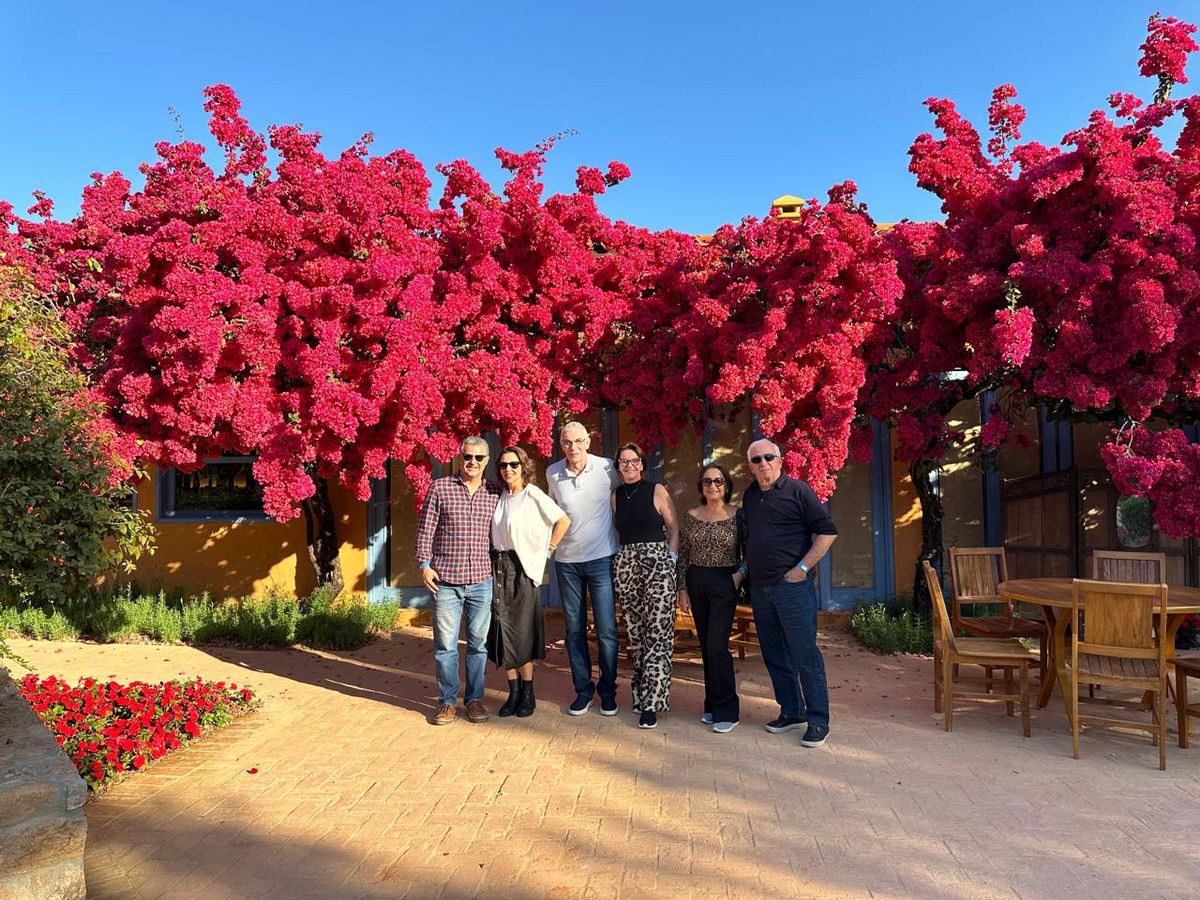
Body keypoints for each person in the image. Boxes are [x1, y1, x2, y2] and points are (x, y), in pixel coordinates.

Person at [739, 439, 838, 748]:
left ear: (779, 460)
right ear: (750, 466)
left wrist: (802, 569)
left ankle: (818, 719)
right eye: (756, 459)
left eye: (769, 457)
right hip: (760, 587)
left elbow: (827, 531)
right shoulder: (751, 495)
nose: (763, 463)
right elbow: (752, 539)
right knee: (773, 653)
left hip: (792, 588)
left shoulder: (798, 491)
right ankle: (792, 711)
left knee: (804, 653)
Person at [415, 436, 502, 726]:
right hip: (446, 581)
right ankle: (447, 701)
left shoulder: (495, 492)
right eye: (468, 457)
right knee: (446, 646)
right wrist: (425, 565)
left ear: (487, 460)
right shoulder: (440, 488)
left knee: (478, 645)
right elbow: (425, 529)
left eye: (479, 458)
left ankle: (474, 699)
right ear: (459, 457)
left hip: (481, 580)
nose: (473, 463)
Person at [489, 445, 571, 718]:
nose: (508, 469)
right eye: (503, 465)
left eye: (513, 464)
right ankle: (512, 693)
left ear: (523, 467)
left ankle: (528, 693)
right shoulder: (499, 496)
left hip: (522, 571)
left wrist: (548, 550)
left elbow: (563, 520)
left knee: (521, 634)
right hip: (498, 569)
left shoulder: (532, 493)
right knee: (504, 633)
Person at [546, 421, 621, 716]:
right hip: (567, 563)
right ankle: (583, 690)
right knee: (574, 631)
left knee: (606, 631)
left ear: (588, 441)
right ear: (560, 444)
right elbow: (551, 513)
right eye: (566, 442)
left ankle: (608, 691)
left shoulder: (607, 468)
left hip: (602, 558)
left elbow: (623, 500)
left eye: (578, 441)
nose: (572, 448)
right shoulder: (553, 473)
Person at [611, 442, 679, 729]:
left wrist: (670, 561)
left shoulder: (657, 490)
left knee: (658, 633)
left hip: (657, 563)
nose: (628, 466)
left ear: (641, 464)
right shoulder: (616, 495)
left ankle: (652, 703)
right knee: (636, 634)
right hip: (627, 564)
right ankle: (640, 696)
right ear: (618, 467)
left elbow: (674, 528)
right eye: (623, 462)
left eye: (633, 461)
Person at [676, 463, 744, 733]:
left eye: (718, 481)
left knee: (717, 645)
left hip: (725, 581)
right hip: (696, 581)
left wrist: (739, 576)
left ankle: (728, 710)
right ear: (701, 486)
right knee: (706, 646)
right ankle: (712, 705)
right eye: (707, 482)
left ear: (726, 485)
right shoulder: (692, 515)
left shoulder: (738, 515)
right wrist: (682, 589)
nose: (712, 486)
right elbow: (683, 554)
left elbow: (750, 550)